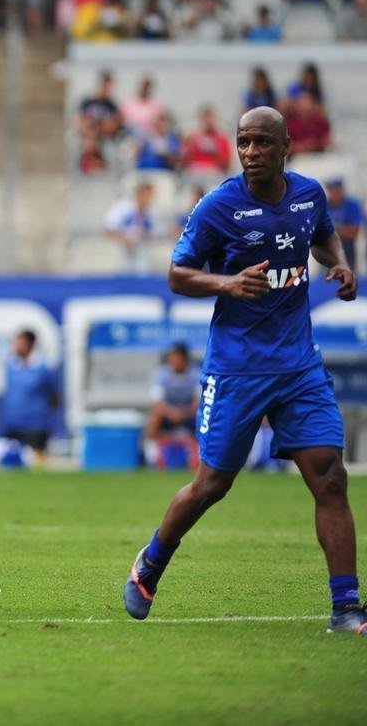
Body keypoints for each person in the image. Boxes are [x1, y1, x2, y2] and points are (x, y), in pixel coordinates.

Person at [122, 106, 364, 635]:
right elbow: (177, 274)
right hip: (237, 369)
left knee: (330, 477)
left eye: (261, 143)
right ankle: (152, 562)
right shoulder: (218, 206)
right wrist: (228, 283)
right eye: (243, 142)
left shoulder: (309, 195)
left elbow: (321, 234)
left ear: (285, 148)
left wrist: (340, 264)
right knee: (211, 484)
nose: (250, 152)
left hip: (299, 364)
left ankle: (346, 608)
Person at [0, 329, 58, 456]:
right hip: (12, 424)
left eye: (20, 342)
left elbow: (54, 396)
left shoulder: (42, 369)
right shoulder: (10, 366)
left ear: (30, 344)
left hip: (35, 426)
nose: (16, 346)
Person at [143, 342, 200, 466]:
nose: (173, 360)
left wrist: (182, 414)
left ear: (185, 358)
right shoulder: (161, 373)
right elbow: (157, 402)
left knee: (204, 418)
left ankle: (202, 457)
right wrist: (172, 413)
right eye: (171, 356)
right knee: (154, 416)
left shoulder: (196, 374)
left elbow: (199, 402)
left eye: (176, 356)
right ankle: (151, 458)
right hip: (167, 415)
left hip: (189, 415)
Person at [103, 181, 163, 274]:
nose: (148, 198)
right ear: (139, 193)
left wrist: (142, 237)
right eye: (146, 195)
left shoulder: (153, 213)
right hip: (121, 247)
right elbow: (107, 229)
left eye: (150, 195)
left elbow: (158, 234)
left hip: (143, 249)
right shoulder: (122, 207)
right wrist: (124, 237)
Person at [325, 178, 363, 273]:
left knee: (348, 277)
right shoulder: (325, 205)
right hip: (327, 250)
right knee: (326, 281)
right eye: (331, 190)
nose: (333, 194)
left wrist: (332, 230)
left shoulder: (352, 205)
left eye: (336, 191)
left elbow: (354, 232)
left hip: (347, 249)